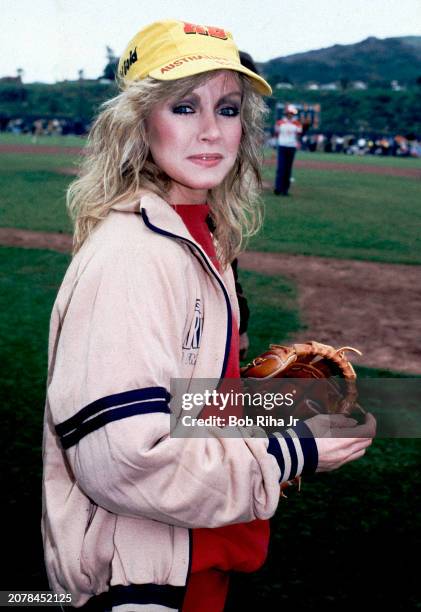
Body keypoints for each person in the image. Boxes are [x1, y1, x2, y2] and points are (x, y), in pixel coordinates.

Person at [42, 19, 376, 611]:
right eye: (183, 106)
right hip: (144, 583)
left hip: (197, 556)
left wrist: (278, 404)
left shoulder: (198, 234)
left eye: (226, 109)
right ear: (138, 123)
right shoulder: (131, 256)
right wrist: (293, 450)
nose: (209, 131)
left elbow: (176, 402)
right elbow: (121, 455)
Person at [274, 104, 302, 196]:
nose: (290, 115)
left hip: (291, 147)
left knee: (288, 169)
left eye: (292, 113)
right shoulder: (280, 122)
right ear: (286, 113)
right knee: (281, 168)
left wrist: (297, 143)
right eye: (289, 113)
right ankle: (278, 188)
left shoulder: (297, 123)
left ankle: (285, 190)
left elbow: (299, 134)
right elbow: (277, 133)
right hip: (282, 146)